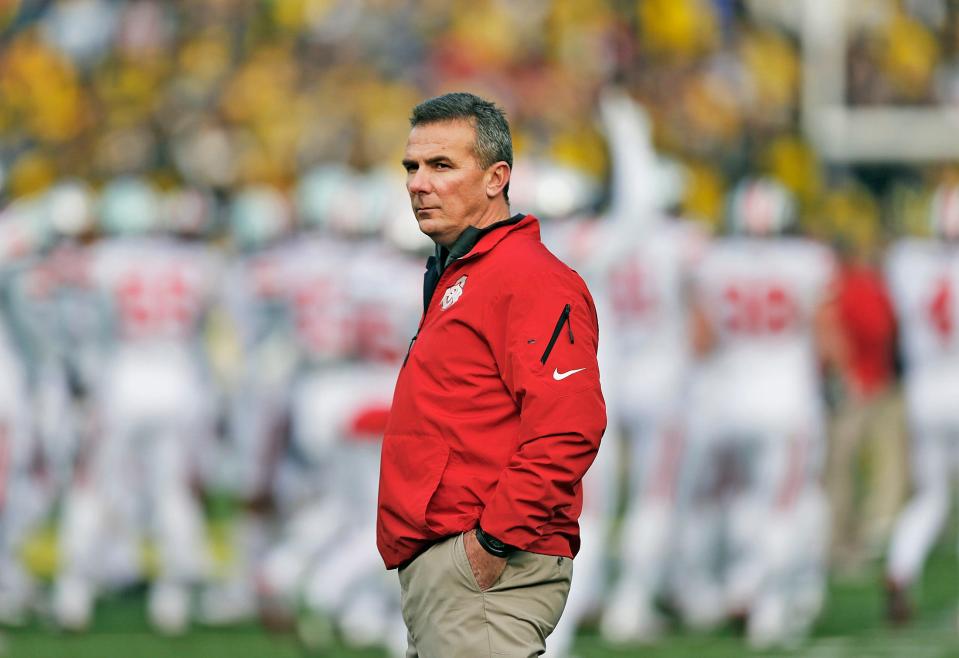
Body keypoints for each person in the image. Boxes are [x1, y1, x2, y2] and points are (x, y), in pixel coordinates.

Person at [376, 92, 607, 658]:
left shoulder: (525, 276)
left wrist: (492, 542)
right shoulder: (468, 270)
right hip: (454, 564)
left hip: (486, 568)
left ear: (496, 178)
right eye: (412, 167)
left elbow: (570, 426)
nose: (418, 183)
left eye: (441, 166)